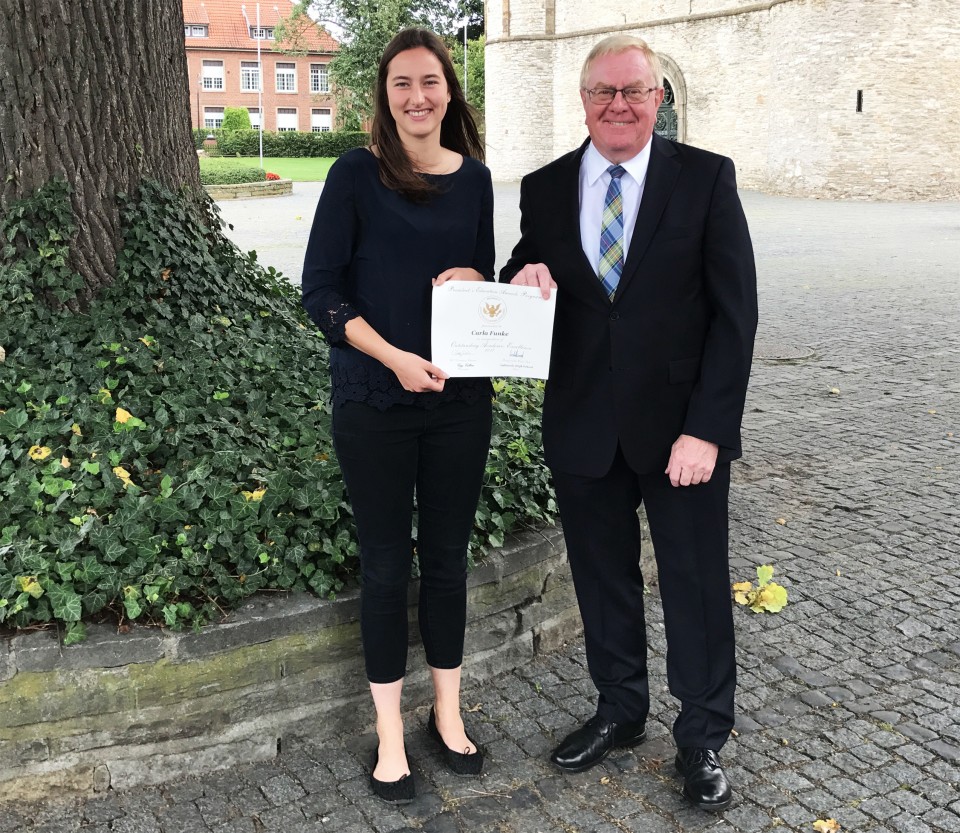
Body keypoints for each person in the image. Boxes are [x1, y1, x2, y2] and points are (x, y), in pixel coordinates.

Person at [501, 35, 758, 811]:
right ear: (583, 101)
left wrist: (708, 428)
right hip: (583, 422)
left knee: (695, 583)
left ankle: (703, 734)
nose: (619, 105)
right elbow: (529, 266)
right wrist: (519, 274)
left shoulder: (705, 179)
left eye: (634, 91)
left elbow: (734, 313)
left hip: (681, 430)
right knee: (603, 579)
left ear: (659, 99)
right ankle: (620, 708)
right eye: (604, 92)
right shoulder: (545, 187)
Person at [301, 28, 493, 804]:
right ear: (384, 96)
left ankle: (446, 712)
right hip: (375, 400)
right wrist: (393, 359)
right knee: (386, 564)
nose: (418, 96)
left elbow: (482, 271)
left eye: (431, 82)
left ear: (451, 89)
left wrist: (486, 275)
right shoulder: (355, 175)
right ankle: (389, 733)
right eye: (402, 84)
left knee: (447, 559)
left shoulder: (476, 180)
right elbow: (321, 292)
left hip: (459, 401)